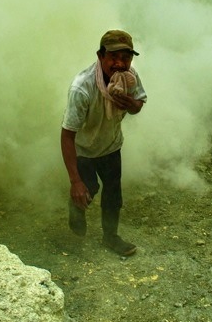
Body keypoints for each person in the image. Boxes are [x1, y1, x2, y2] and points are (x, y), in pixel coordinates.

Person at [60, 30, 147, 256]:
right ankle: (76, 207)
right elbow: (67, 135)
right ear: (101, 56)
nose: (120, 63)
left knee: (113, 195)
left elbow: (138, 105)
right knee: (88, 189)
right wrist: (75, 181)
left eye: (126, 57)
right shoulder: (82, 87)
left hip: (111, 146)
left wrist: (128, 102)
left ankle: (111, 237)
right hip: (84, 150)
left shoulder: (130, 78)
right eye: (113, 57)